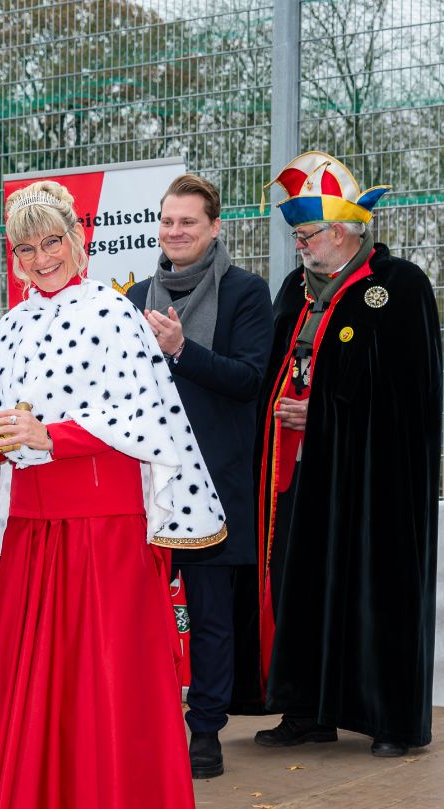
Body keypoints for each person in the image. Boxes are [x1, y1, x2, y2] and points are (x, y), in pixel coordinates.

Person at [0, 179, 225, 809]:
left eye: (52, 242)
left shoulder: (113, 313)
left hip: (104, 524)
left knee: (106, 676)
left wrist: (49, 435)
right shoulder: (11, 324)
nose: (41, 259)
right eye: (26, 249)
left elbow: (141, 421)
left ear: (77, 240)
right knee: (37, 678)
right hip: (35, 523)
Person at [248, 151, 441, 757]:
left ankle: (391, 720)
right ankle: (306, 709)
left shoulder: (399, 287)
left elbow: (408, 394)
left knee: (374, 589)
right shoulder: (295, 291)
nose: (299, 246)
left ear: (341, 232)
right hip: (298, 471)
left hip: (372, 477)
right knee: (299, 582)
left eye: (306, 235)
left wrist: (325, 415)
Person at [127, 173, 273, 778]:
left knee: (211, 614)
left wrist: (183, 350)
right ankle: (146, 722)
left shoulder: (246, 292)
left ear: (215, 227)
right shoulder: (136, 295)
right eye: (167, 221)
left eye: (188, 221)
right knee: (141, 612)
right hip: (147, 482)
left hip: (215, 479)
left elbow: (250, 380)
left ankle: (206, 731)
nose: (175, 231)